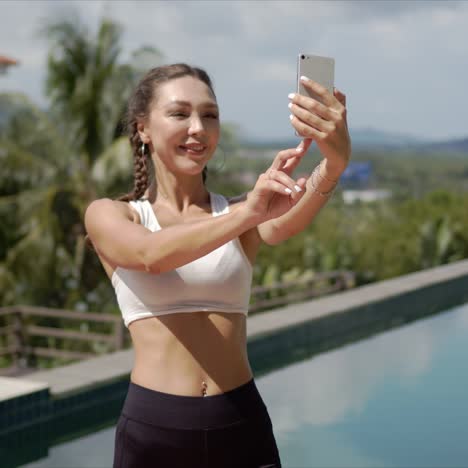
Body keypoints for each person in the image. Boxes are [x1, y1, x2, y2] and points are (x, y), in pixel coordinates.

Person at [84, 63, 350, 468]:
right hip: (156, 431)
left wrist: (335, 162)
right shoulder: (113, 216)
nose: (198, 128)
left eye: (209, 115)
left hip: (240, 423)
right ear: (143, 129)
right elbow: (150, 256)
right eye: (180, 113)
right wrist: (248, 214)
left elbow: (288, 218)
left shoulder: (240, 213)